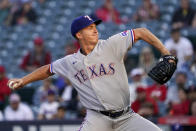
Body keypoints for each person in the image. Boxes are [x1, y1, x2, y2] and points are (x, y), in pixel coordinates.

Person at [8, 15, 175, 131]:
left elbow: (141, 32)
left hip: (126, 116)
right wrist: (23, 80)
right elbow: (47, 69)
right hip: (97, 120)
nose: (95, 30)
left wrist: (166, 53)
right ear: (79, 35)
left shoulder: (110, 45)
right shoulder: (70, 61)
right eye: (89, 28)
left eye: (95, 26)